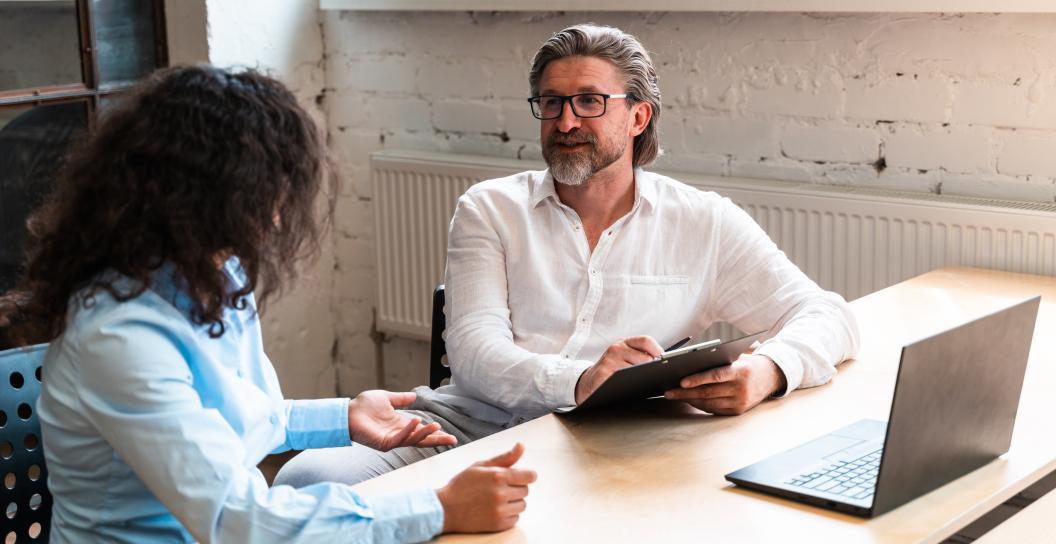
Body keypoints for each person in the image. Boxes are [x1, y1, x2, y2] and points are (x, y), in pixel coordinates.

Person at [276, 23, 859, 487]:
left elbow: (829, 315)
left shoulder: (703, 222)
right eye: (551, 104)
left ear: (638, 116)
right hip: (464, 425)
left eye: (588, 101)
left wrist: (767, 371)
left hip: (615, 442)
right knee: (309, 475)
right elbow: (475, 355)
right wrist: (582, 379)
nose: (565, 121)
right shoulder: (489, 208)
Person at [0, 65, 535, 543]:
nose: (282, 212)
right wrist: (436, 508)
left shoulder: (217, 274)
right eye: (272, 189)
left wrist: (345, 416)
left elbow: (245, 417)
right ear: (209, 193)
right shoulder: (119, 337)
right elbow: (236, 520)